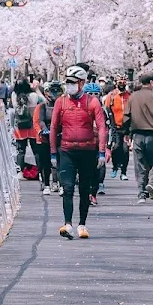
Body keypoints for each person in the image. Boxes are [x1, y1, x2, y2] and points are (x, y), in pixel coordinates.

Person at [50, 65, 107, 240]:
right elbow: (53, 127)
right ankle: (68, 224)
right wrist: (53, 153)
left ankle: (82, 224)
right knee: (67, 188)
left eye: (73, 82)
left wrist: (102, 152)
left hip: (88, 151)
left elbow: (102, 127)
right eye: (67, 82)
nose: (69, 86)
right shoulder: (61, 101)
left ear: (82, 83)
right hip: (67, 150)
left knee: (84, 189)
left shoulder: (93, 102)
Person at [123, 72, 153, 203]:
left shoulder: (132, 97)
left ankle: (141, 193)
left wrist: (126, 133)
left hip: (137, 134)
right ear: (152, 82)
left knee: (140, 164)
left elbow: (126, 116)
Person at [12, 80, 44, 176]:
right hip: (32, 126)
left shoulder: (14, 95)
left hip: (20, 127)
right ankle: (39, 171)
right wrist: (37, 89)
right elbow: (44, 101)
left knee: (20, 151)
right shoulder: (33, 96)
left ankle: (20, 172)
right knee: (36, 151)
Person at [34, 81, 61, 194]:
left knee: (59, 162)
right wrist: (43, 130)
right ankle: (46, 184)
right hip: (45, 138)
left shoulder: (62, 106)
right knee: (45, 162)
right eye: (52, 91)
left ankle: (57, 183)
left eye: (57, 91)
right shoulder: (42, 106)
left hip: (60, 137)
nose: (54, 94)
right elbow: (38, 120)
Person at [103, 76, 131, 180]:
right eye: (120, 81)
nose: (122, 83)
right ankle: (115, 167)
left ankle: (124, 171)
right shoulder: (111, 95)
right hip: (115, 126)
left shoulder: (129, 95)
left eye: (124, 81)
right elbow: (106, 110)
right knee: (116, 147)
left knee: (125, 150)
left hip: (127, 127)